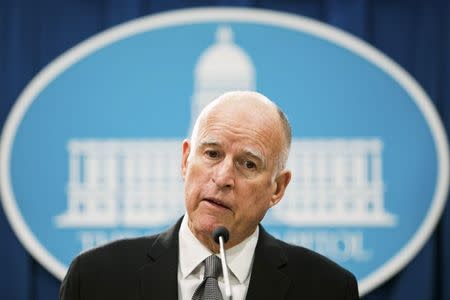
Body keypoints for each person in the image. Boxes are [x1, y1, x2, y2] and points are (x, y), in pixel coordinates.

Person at [60, 91, 359, 300]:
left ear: (277, 188)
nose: (223, 177)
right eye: (212, 154)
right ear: (185, 159)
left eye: (248, 164)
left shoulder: (328, 289)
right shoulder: (96, 278)